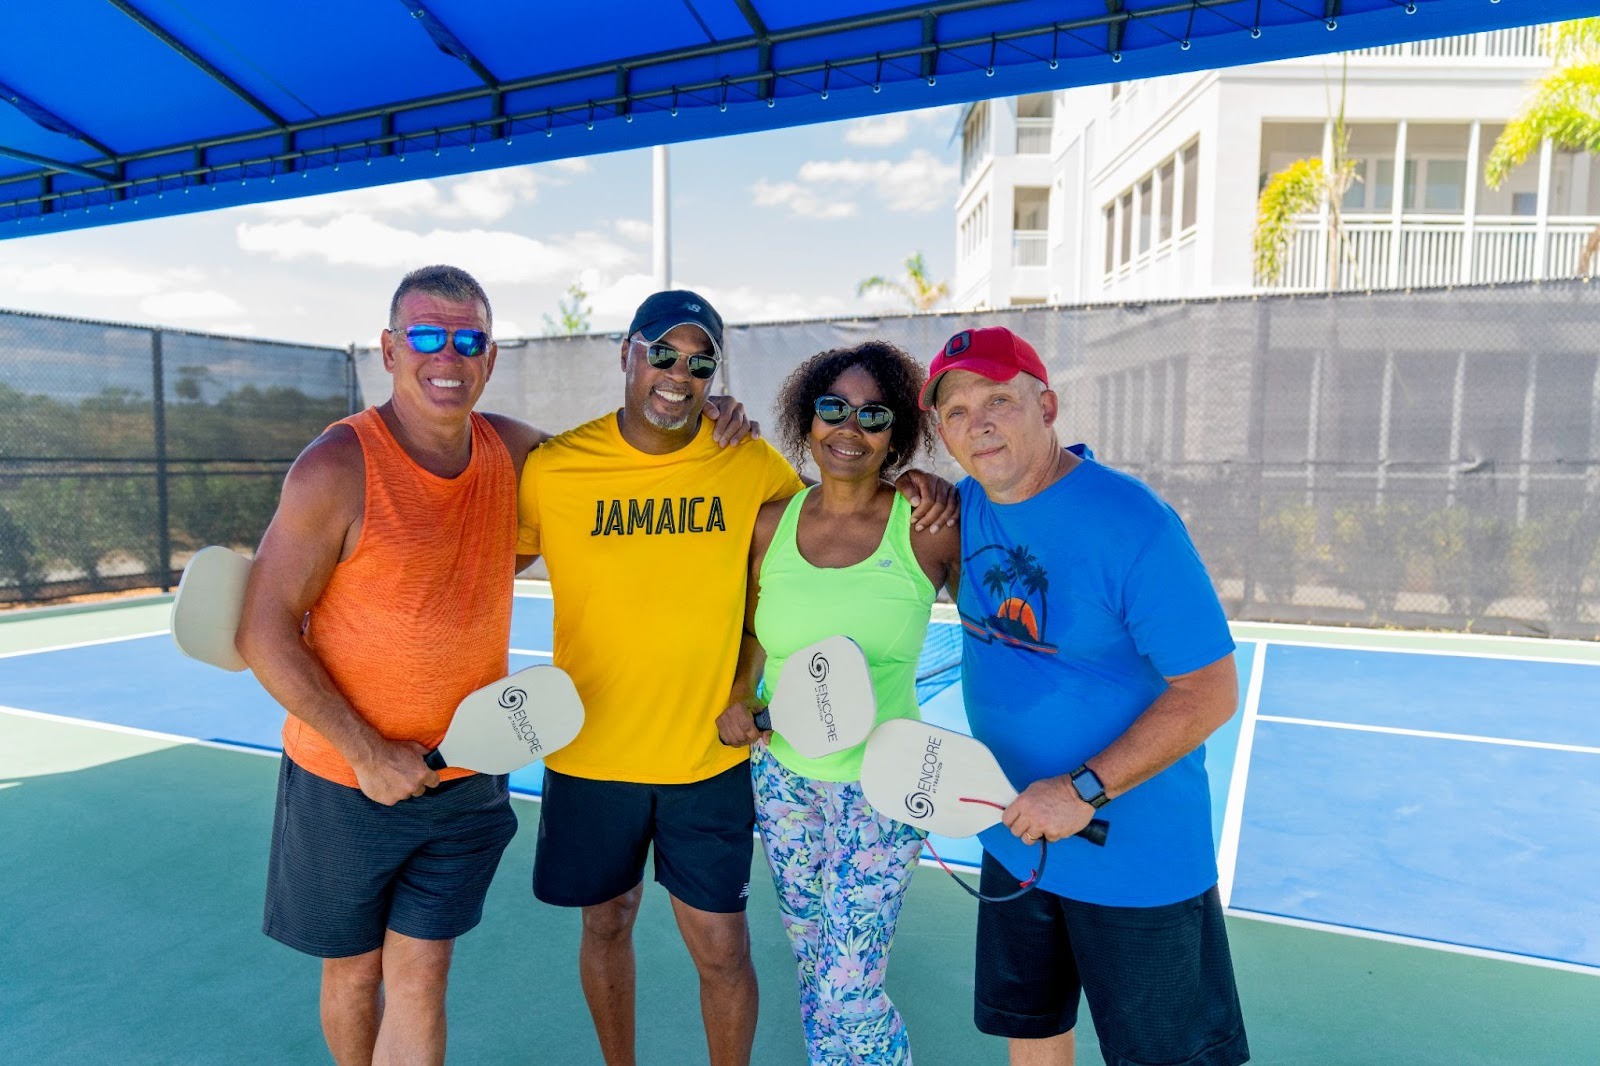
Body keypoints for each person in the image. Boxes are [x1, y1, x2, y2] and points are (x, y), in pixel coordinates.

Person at [232, 266, 752, 1066]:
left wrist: (704, 410)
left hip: (465, 775)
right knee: (355, 974)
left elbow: (622, 452)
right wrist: (366, 751)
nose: (448, 356)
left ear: (491, 356)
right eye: (426, 336)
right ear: (390, 350)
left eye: (468, 340)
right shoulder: (335, 467)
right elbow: (262, 629)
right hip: (345, 777)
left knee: (422, 973)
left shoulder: (513, 451)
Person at [514, 291, 957, 1066]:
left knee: (736, 955)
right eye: (663, 353)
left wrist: (928, 483)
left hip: (713, 760)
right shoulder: (555, 468)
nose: (678, 373)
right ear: (627, 352)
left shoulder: (751, 466)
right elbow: (486, 555)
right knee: (607, 923)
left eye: (700, 362)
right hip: (594, 754)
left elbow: (837, 508)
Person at [919, 326, 1249, 1066]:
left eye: (998, 401)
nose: (979, 424)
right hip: (1014, 836)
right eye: (957, 412)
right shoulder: (959, 512)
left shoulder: (1132, 523)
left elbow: (1210, 690)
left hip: (1134, 856)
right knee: (1034, 1033)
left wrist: (1082, 790)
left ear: (1048, 407)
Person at [715, 340, 961, 1065]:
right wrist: (740, 694)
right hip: (783, 782)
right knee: (816, 966)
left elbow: (1002, 631)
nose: (850, 428)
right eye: (833, 409)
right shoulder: (770, 524)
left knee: (848, 987)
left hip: (884, 785)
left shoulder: (927, 527)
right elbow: (754, 632)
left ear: (897, 434)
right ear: (807, 418)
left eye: (873, 415)